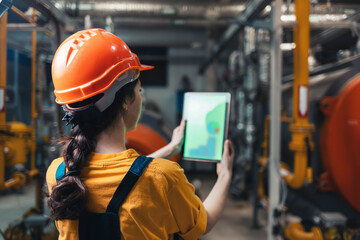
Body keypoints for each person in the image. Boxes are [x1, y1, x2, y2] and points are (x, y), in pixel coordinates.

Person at [46, 28, 234, 240]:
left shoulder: (60, 173)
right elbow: (204, 221)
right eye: (139, 90)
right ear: (126, 100)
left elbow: (125, 175)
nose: (141, 97)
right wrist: (225, 174)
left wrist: (171, 147)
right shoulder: (164, 177)